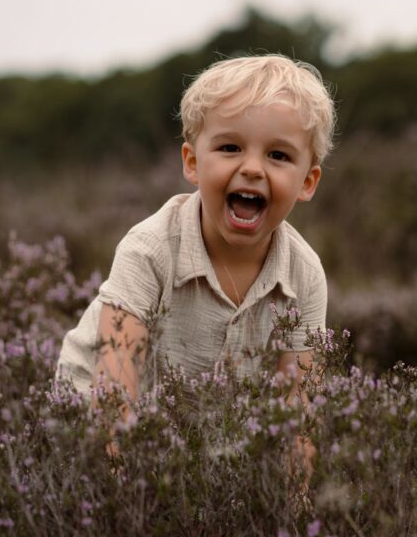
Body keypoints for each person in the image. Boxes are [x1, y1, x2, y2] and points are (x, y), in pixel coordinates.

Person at [54, 55, 334, 469]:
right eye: (230, 147)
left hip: (201, 436)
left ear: (307, 181)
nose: (253, 168)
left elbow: (299, 414)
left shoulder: (305, 276)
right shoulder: (148, 249)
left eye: (278, 155)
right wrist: (120, 505)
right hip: (93, 415)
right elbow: (114, 394)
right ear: (192, 162)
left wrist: (295, 519)